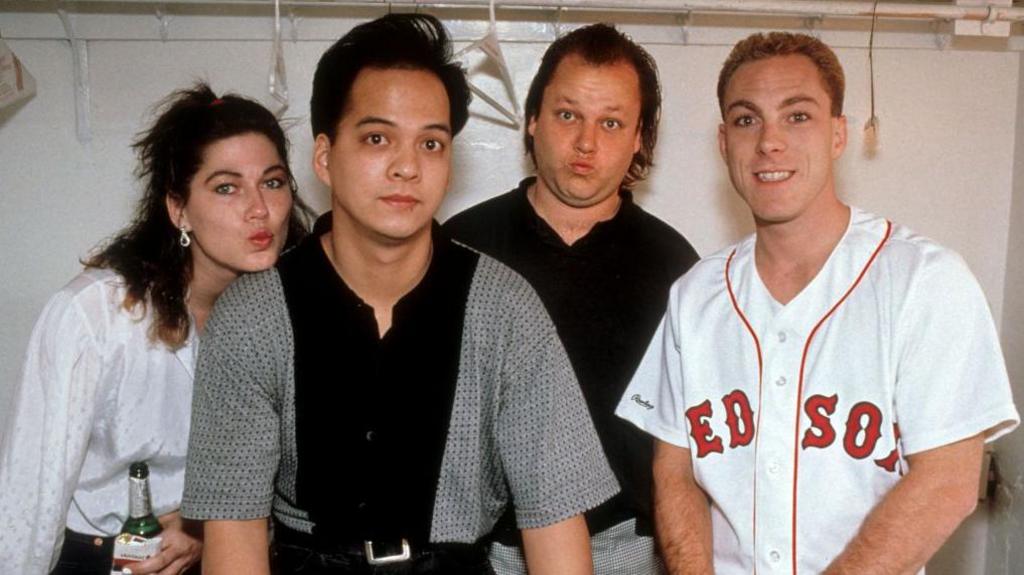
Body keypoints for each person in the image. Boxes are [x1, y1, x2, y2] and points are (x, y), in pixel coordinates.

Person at [180, 13, 617, 575]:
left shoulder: (506, 310)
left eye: (431, 143)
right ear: (323, 156)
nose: (407, 167)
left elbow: (555, 527)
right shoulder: (253, 316)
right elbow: (234, 537)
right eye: (377, 138)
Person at [615, 32, 1019, 574]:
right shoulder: (694, 296)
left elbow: (948, 481)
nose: (769, 142)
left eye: (797, 116)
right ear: (723, 142)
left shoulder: (924, 279)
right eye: (746, 119)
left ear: (837, 134)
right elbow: (674, 467)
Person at [0, 83, 312, 575]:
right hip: (103, 561)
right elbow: (28, 499)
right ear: (178, 209)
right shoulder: (96, 312)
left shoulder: (292, 311)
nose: (259, 209)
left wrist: (205, 531)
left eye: (273, 182)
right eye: (226, 187)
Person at [444, 23, 697, 574]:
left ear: (639, 138)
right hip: (484, 550)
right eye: (568, 115)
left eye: (611, 122)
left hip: (628, 548)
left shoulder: (675, 266)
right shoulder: (459, 247)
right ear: (532, 119)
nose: (587, 143)